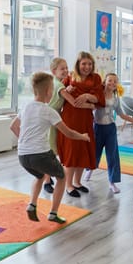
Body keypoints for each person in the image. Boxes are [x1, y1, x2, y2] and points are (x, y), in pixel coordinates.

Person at [10, 72, 90, 223]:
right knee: (62, 177)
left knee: (39, 176)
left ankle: (32, 204)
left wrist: (25, 142)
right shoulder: (49, 111)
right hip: (40, 154)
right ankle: (53, 213)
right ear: (49, 92)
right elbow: (69, 133)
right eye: (52, 88)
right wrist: (83, 137)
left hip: (22, 156)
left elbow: (13, 126)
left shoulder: (26, 106)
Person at [42, 58, 95, 194]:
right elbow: (73, 102)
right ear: (54, 71)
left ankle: (51, 179)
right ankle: (46, 180)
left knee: (52, 149)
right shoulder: (59, 86)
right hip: (51, 120)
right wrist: (91, 105)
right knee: (51, 151)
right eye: (62, 69)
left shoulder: (58, 84)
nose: (66, 71)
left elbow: (63, 94)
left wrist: (68, 89)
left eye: (66, 68)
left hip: (54, 117)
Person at [57, 51, 105, 198]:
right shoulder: (70, 77)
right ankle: (68, 185)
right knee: (72, 151)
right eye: (84, 63)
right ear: (78, 64)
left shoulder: (96, 78)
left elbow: (99, 99)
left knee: (83, 149)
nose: (87, 67)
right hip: (70, 118)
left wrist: (86, 96)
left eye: (90, 64)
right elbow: (59, 94)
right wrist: (68, 91)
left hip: (85, 119)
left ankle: (77, 182)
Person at [85, 73, 133, 193]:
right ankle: (89, 170)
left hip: (110, 129)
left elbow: (122, 115)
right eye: (110, 80)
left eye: (115, 81)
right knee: (94, 152)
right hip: (97, 128)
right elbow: (91, 107)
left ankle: (112, 182)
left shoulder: (116, 100)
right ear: (105, 82)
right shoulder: (97, 96)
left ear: (117, 85)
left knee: (112, 156)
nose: (112, 83)